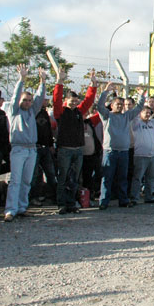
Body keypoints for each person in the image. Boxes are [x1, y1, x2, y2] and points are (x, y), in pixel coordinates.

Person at [3, 65, 47, 222]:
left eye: (29, 100)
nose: (28, 102)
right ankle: (10, 209)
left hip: (31, 150)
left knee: (27, 180)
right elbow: (15, 97)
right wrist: (21, 79)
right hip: (18, 149)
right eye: (25, 100)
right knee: (15, 180)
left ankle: (22, 207)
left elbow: (40, 98)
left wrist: (42, 82)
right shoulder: (14, 111)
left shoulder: (31, 112)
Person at [51, 69, 97, 214]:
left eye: (76, 102)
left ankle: (71, 203)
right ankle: (61, 203)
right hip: (65, 150)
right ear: (66, 101)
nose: (74, 104)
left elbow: (88, 101)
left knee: (74, 179)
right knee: (63, 177)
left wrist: (93, 85)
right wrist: (59, 81)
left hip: (78, 150)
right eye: (71, 101)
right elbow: (56, 100)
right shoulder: (60, 112)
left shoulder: (79, 112)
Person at [95, 82, 145, 210]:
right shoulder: (106, 116)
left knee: (123, 178)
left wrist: (141, 95)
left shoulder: (127, 116)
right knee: (107, 178)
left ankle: (123, 200)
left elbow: (139, 107)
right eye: (117, 104)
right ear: (111, 105)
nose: (120, 106)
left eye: (122, 105)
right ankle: (103, 201)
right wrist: (106, 91)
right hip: (110, 152)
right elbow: (99, 105)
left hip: (123, 152)